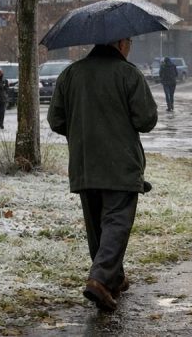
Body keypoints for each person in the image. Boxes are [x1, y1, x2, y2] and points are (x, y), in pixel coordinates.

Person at [47, 37, 158, 312]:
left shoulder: (70, 74)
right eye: (129, 42)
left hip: (84, 163)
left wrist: (82, 129)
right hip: (121, 164)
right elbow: (146, 119)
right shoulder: (128, 74)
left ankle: (113, 279)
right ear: (119, 43)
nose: (130, 46)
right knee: (117, 223)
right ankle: (99, 279)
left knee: (97, 227)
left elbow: (56, 120)